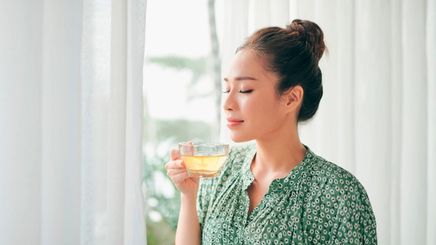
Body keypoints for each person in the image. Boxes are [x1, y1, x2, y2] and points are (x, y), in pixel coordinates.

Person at [165, 19, 377, 244]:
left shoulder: (338, 194)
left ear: (291, 98)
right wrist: (188, 195)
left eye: (245, 89)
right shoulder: (220, 171)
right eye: (227, 88)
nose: (227, 102)